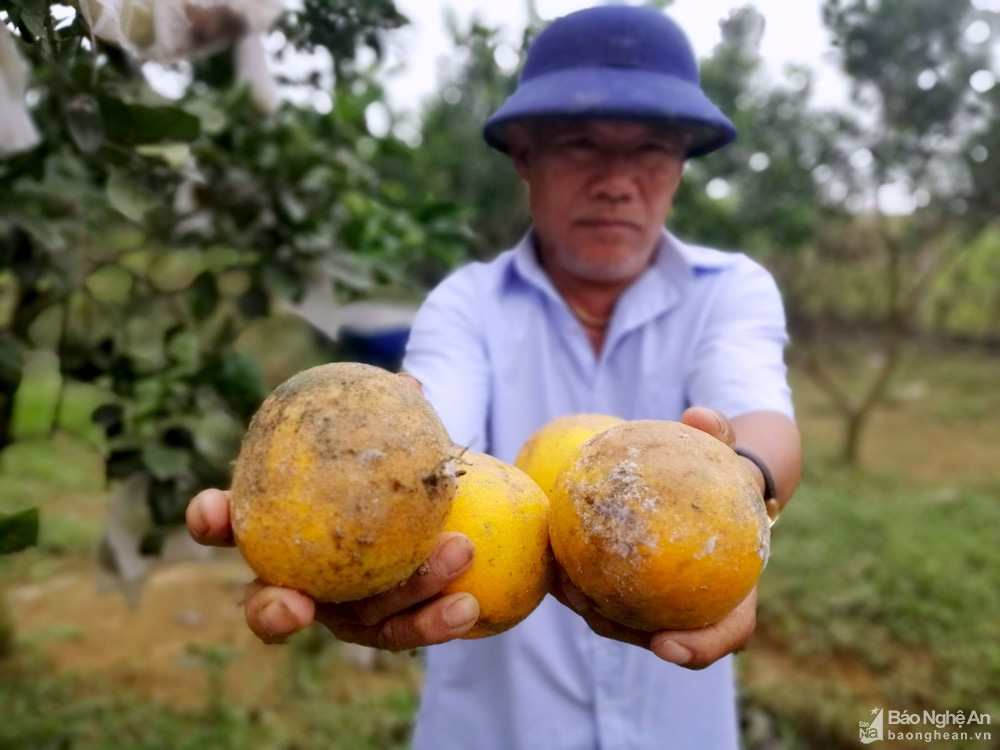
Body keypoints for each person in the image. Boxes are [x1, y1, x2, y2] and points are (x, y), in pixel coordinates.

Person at [186, 6, 802, 749]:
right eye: (581, 145)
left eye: (651, 149)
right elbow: (430, 425)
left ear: (680, 165)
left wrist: (746, 480)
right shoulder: (466, 303)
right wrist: (358, 488)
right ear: (523, 154)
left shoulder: (730, 289)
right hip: (494, 722)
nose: (616, 182)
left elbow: (761, 414)